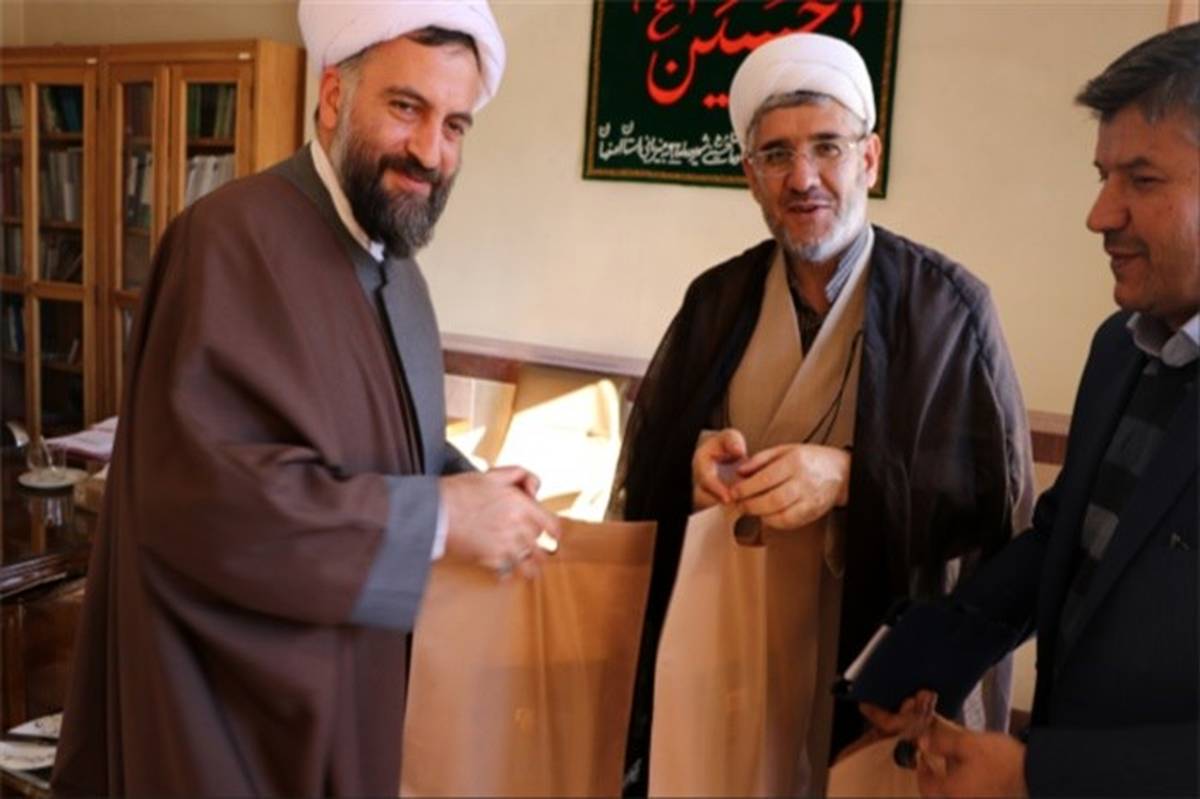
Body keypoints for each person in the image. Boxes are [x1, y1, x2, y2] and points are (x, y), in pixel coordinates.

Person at [50, 1, 560, 795]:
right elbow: (207, 508)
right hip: (236, 728)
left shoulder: (400, 271)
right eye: (406, 107)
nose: (430, 151)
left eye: (455, 125)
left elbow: (383, 441)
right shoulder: (227, 239)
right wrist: (439, 517)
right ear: (331, 98)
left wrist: (477, 488)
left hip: (357, 699)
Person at [614, 31, 1035, 796]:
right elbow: (648, 469)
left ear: (869, 158)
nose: (803, 177)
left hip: (874, 660)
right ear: (750, 175)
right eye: (776, 154)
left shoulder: (949, 308)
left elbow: (992, 506)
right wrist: (694, 464)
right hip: (733, 646)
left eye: (827, 148)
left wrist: (849, 478)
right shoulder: (716, 301)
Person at [861, 21, 1199, 798]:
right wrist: (928, 654)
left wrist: (1037, 773)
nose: (1100, 215)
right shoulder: (1121, 347)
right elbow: (1065, 540)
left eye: (1142, 180)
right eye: (1103, 176)